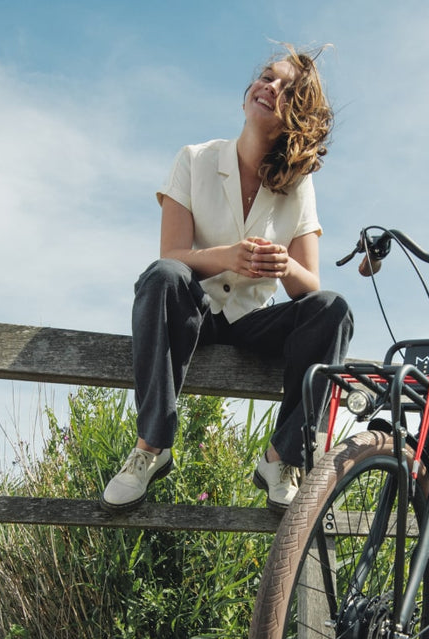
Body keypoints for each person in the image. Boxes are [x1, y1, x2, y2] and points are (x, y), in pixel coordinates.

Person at [100, 47, 352, 512]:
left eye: (285, 88)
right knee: (162, 276)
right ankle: (151, 446)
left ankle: (281, 458)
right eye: (266, 77)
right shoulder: (194, 159)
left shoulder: (298, 186)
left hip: (255, 322)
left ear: (294, 115)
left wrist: (283, 266)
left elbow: (308, 287)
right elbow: (172, 256)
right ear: (245, 97)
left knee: (333, 309)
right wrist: (228, 257)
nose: (269, 87)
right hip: (196, 311)